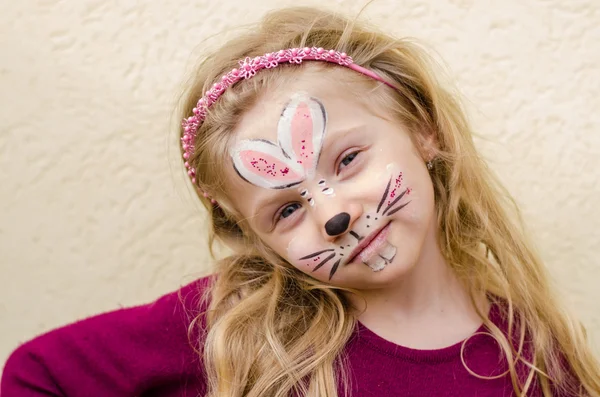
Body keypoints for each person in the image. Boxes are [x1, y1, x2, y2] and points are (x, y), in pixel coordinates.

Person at [2, 6, 599, 397]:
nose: (332, 213)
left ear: (424, 128)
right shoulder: (233, 326)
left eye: (347, 160)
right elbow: (36, 375)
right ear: (257, 237)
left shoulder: (535, 356)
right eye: (286, 210)